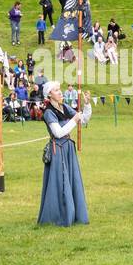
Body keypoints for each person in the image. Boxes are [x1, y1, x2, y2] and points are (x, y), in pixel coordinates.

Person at [38, 81, 91, 226]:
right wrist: (74, 120)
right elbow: (58, 132)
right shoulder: (49, 112)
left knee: (71, 181)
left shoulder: (64, 107)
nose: (60, 92)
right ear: (49, 95)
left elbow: (84, 119)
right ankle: (58, 216)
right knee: (60, 183)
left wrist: (86, 105)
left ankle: (73, 214)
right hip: (58, 150)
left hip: (68, 149)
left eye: (59, 90)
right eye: (56, 90)